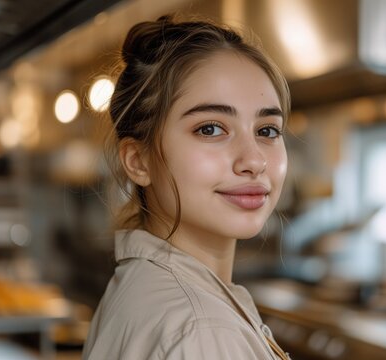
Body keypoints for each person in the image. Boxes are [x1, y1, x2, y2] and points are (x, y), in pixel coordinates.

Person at [83, 15, 291, 359]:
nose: (254, 161)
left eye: (267, 130)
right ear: (138, 161)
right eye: (210, 128)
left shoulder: (140, 286)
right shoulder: (203, 332)